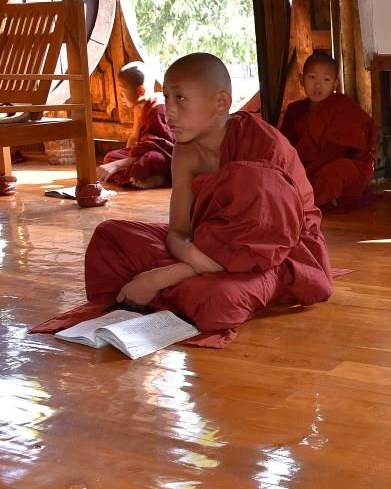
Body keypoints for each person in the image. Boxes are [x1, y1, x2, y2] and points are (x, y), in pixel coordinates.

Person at [37, 53, 334, 338]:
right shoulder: (185, 150)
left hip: (277, 255)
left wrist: (161, 276)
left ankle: (174, 290)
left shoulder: (263, 148)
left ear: (221, 103)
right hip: (208, 246)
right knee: (110, 237)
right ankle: (182, 291)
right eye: (166, 97)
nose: (169, 111)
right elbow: (178, 232)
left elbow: (268, 242)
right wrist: (192, 258)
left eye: (180, 98)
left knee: (216, 299)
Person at [279, 52, 375, 210]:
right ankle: (303, 197)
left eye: (326, 79)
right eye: (312, 78)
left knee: (339, 172)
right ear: (301, 79)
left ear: (335, 84)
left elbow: (339, 151)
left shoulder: (342, 107)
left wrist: (307, 171)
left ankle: (304, 201)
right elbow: (286, 146)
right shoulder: (294, 110)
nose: (318, 85)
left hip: (335, 164)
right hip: (303, 167)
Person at [97, 62, 174, 189]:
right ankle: (138, 176)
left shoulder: (159, 108)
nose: (120, 96)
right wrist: (123, 160)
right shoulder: (139, 108)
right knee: (110, 157)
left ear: (141, 91)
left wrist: (118, 165)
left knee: (152, 159)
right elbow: (134, 138)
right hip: (143, 154)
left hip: (168, 157)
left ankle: (162, 179)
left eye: (123, 91)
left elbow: (163, 148)